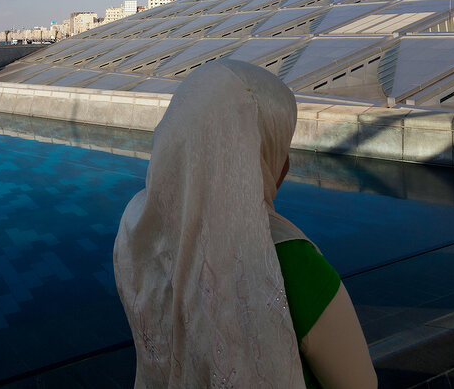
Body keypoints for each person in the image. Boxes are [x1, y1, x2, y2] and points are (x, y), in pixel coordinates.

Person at [113, 59, 376, 388]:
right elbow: (361, 383)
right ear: (246, 153)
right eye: (277, 144)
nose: (286, 162)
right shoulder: (289, 260)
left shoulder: (137, 227)